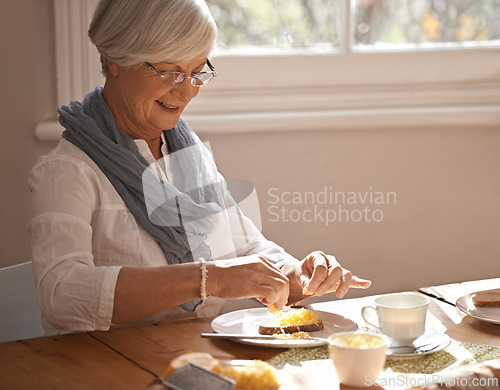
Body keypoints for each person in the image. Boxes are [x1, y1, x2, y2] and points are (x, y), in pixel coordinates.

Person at [28, 0, 370, 333]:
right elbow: (61, 294)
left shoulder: (188, 155)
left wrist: (299, 275)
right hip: (105, 369)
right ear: (116, 59)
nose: (187, 91)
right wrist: (210, 278)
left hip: (191, 356)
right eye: (170, 72)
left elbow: (245, 248)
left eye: (196, 72)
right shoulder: (66, 171)